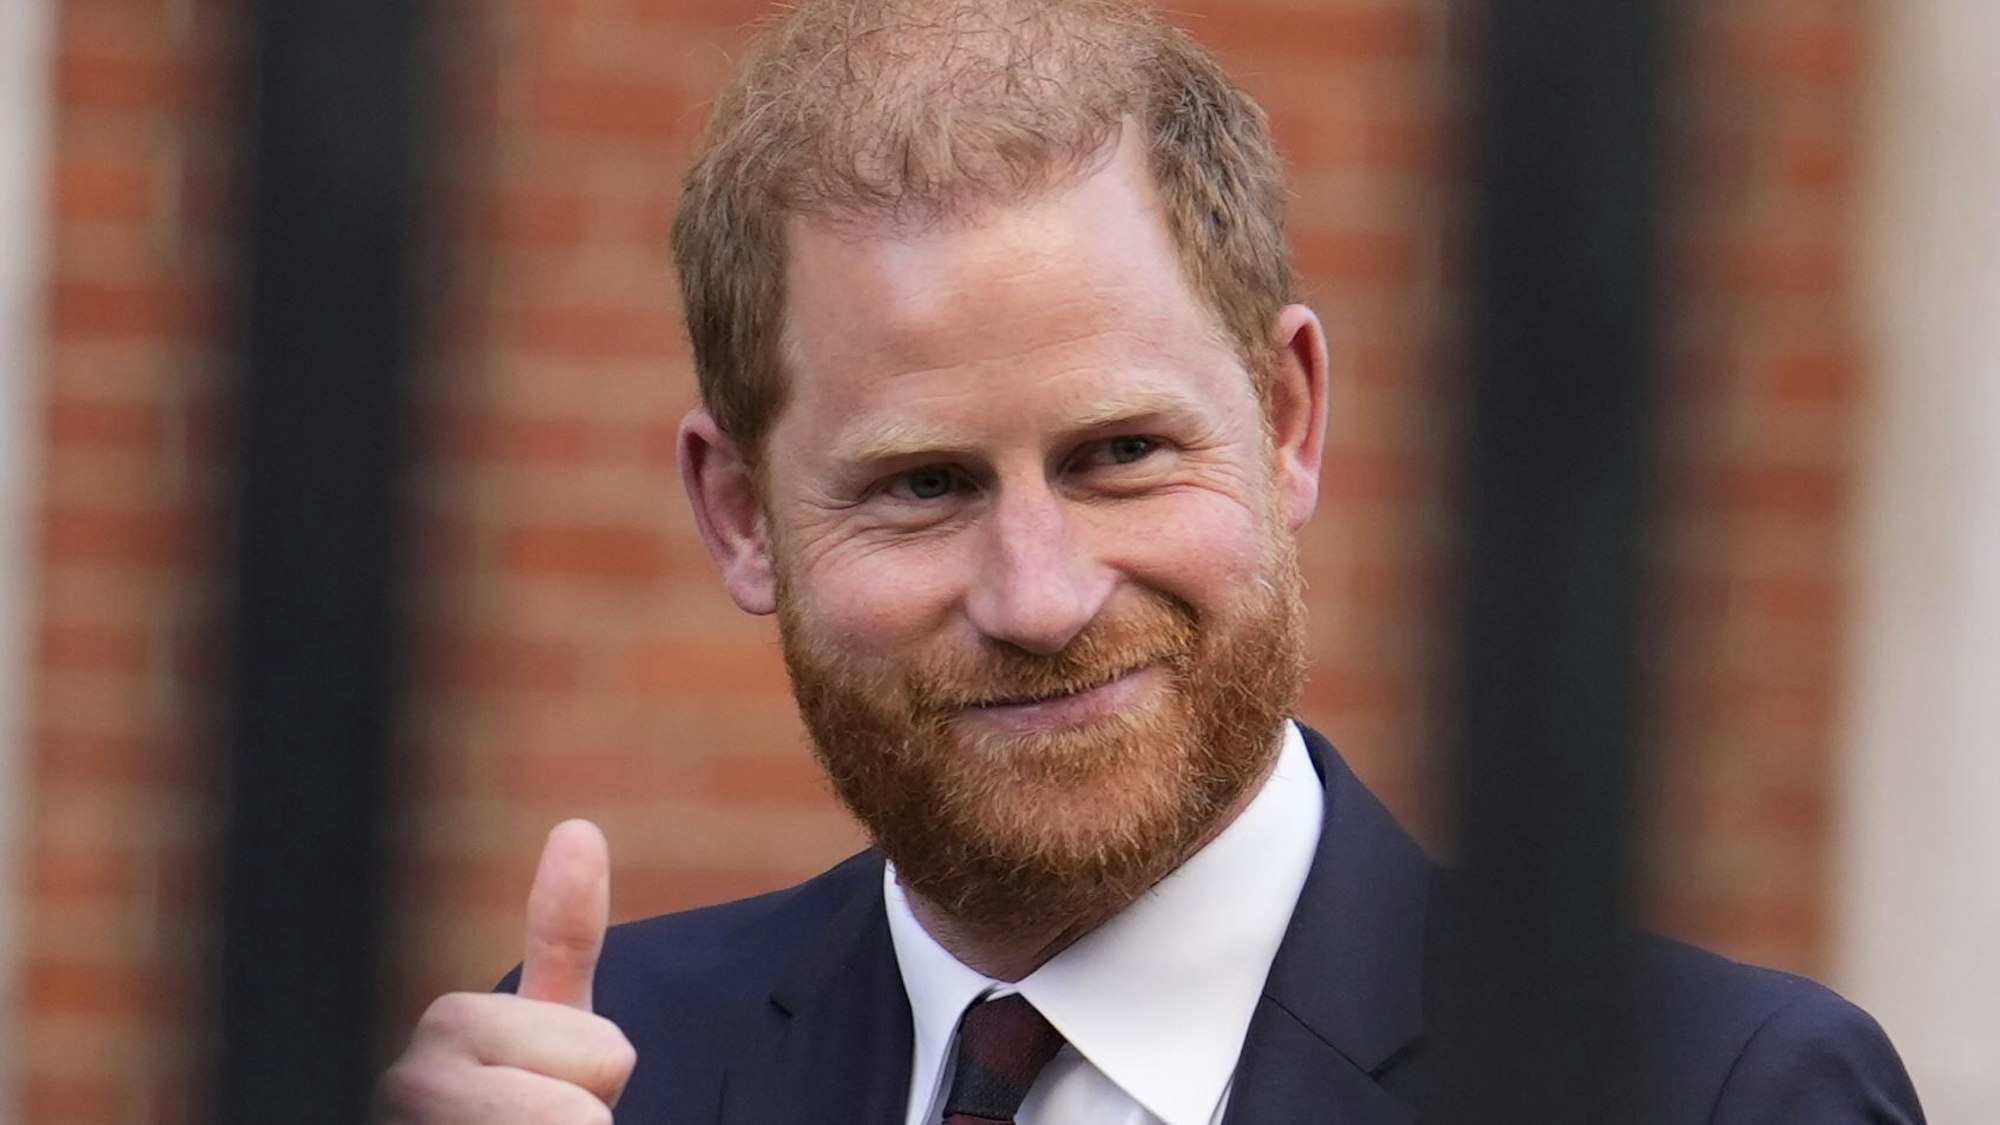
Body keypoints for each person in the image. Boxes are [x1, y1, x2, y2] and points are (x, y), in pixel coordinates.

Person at [377, 2, 1926, 1122]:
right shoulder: (596, 1070)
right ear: (738, 516)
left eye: (1121, 453)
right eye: (922, 485)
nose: (1041, 594)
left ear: (1289, 418)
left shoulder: (1710, 1092)